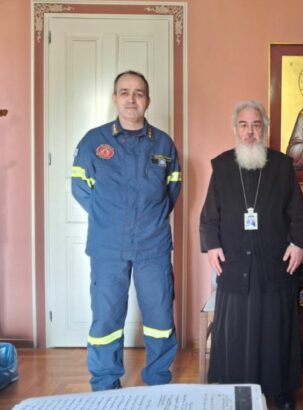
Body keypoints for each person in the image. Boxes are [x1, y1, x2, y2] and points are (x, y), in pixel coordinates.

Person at [71, 70, 181, 391]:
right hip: (108, 247)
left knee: (160, 317)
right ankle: (105, 385)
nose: (131, 99)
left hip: (153, 245)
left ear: (148, 100)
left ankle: (158, 381)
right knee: (106, 317)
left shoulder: (163, 143)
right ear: (115, 98)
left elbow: (172, 191)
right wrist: (109, 218)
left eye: (138, 93)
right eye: (124, 92)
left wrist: (150, 218)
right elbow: (80, 188)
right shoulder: (94, 141)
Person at [200, 100, 303, 410]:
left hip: (274, 264)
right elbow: (209, 216)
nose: (250, 131)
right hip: (235, 263)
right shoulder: (222, 166)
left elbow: (300, 215)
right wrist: (212, 246)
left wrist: (298, 244)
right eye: (244, 125)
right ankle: (234, 388)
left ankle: (281, 390)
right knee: (236, 330)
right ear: (235, 129)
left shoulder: (282, 166)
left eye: (256, 125)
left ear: (265, 129)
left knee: (277, 329)